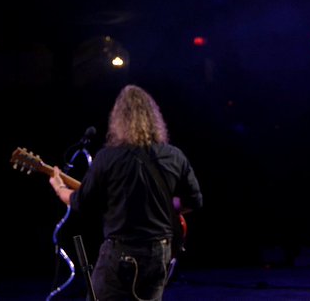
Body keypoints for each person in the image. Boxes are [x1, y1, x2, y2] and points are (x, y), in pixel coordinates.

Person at [50, 84, 203, 301]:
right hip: (159, 252)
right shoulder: (174, 156)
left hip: (121, 253)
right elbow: (194, 201)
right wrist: (167, 207)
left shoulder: (107, 158)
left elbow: (80, 203)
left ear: (118, 121)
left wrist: (59, 187)